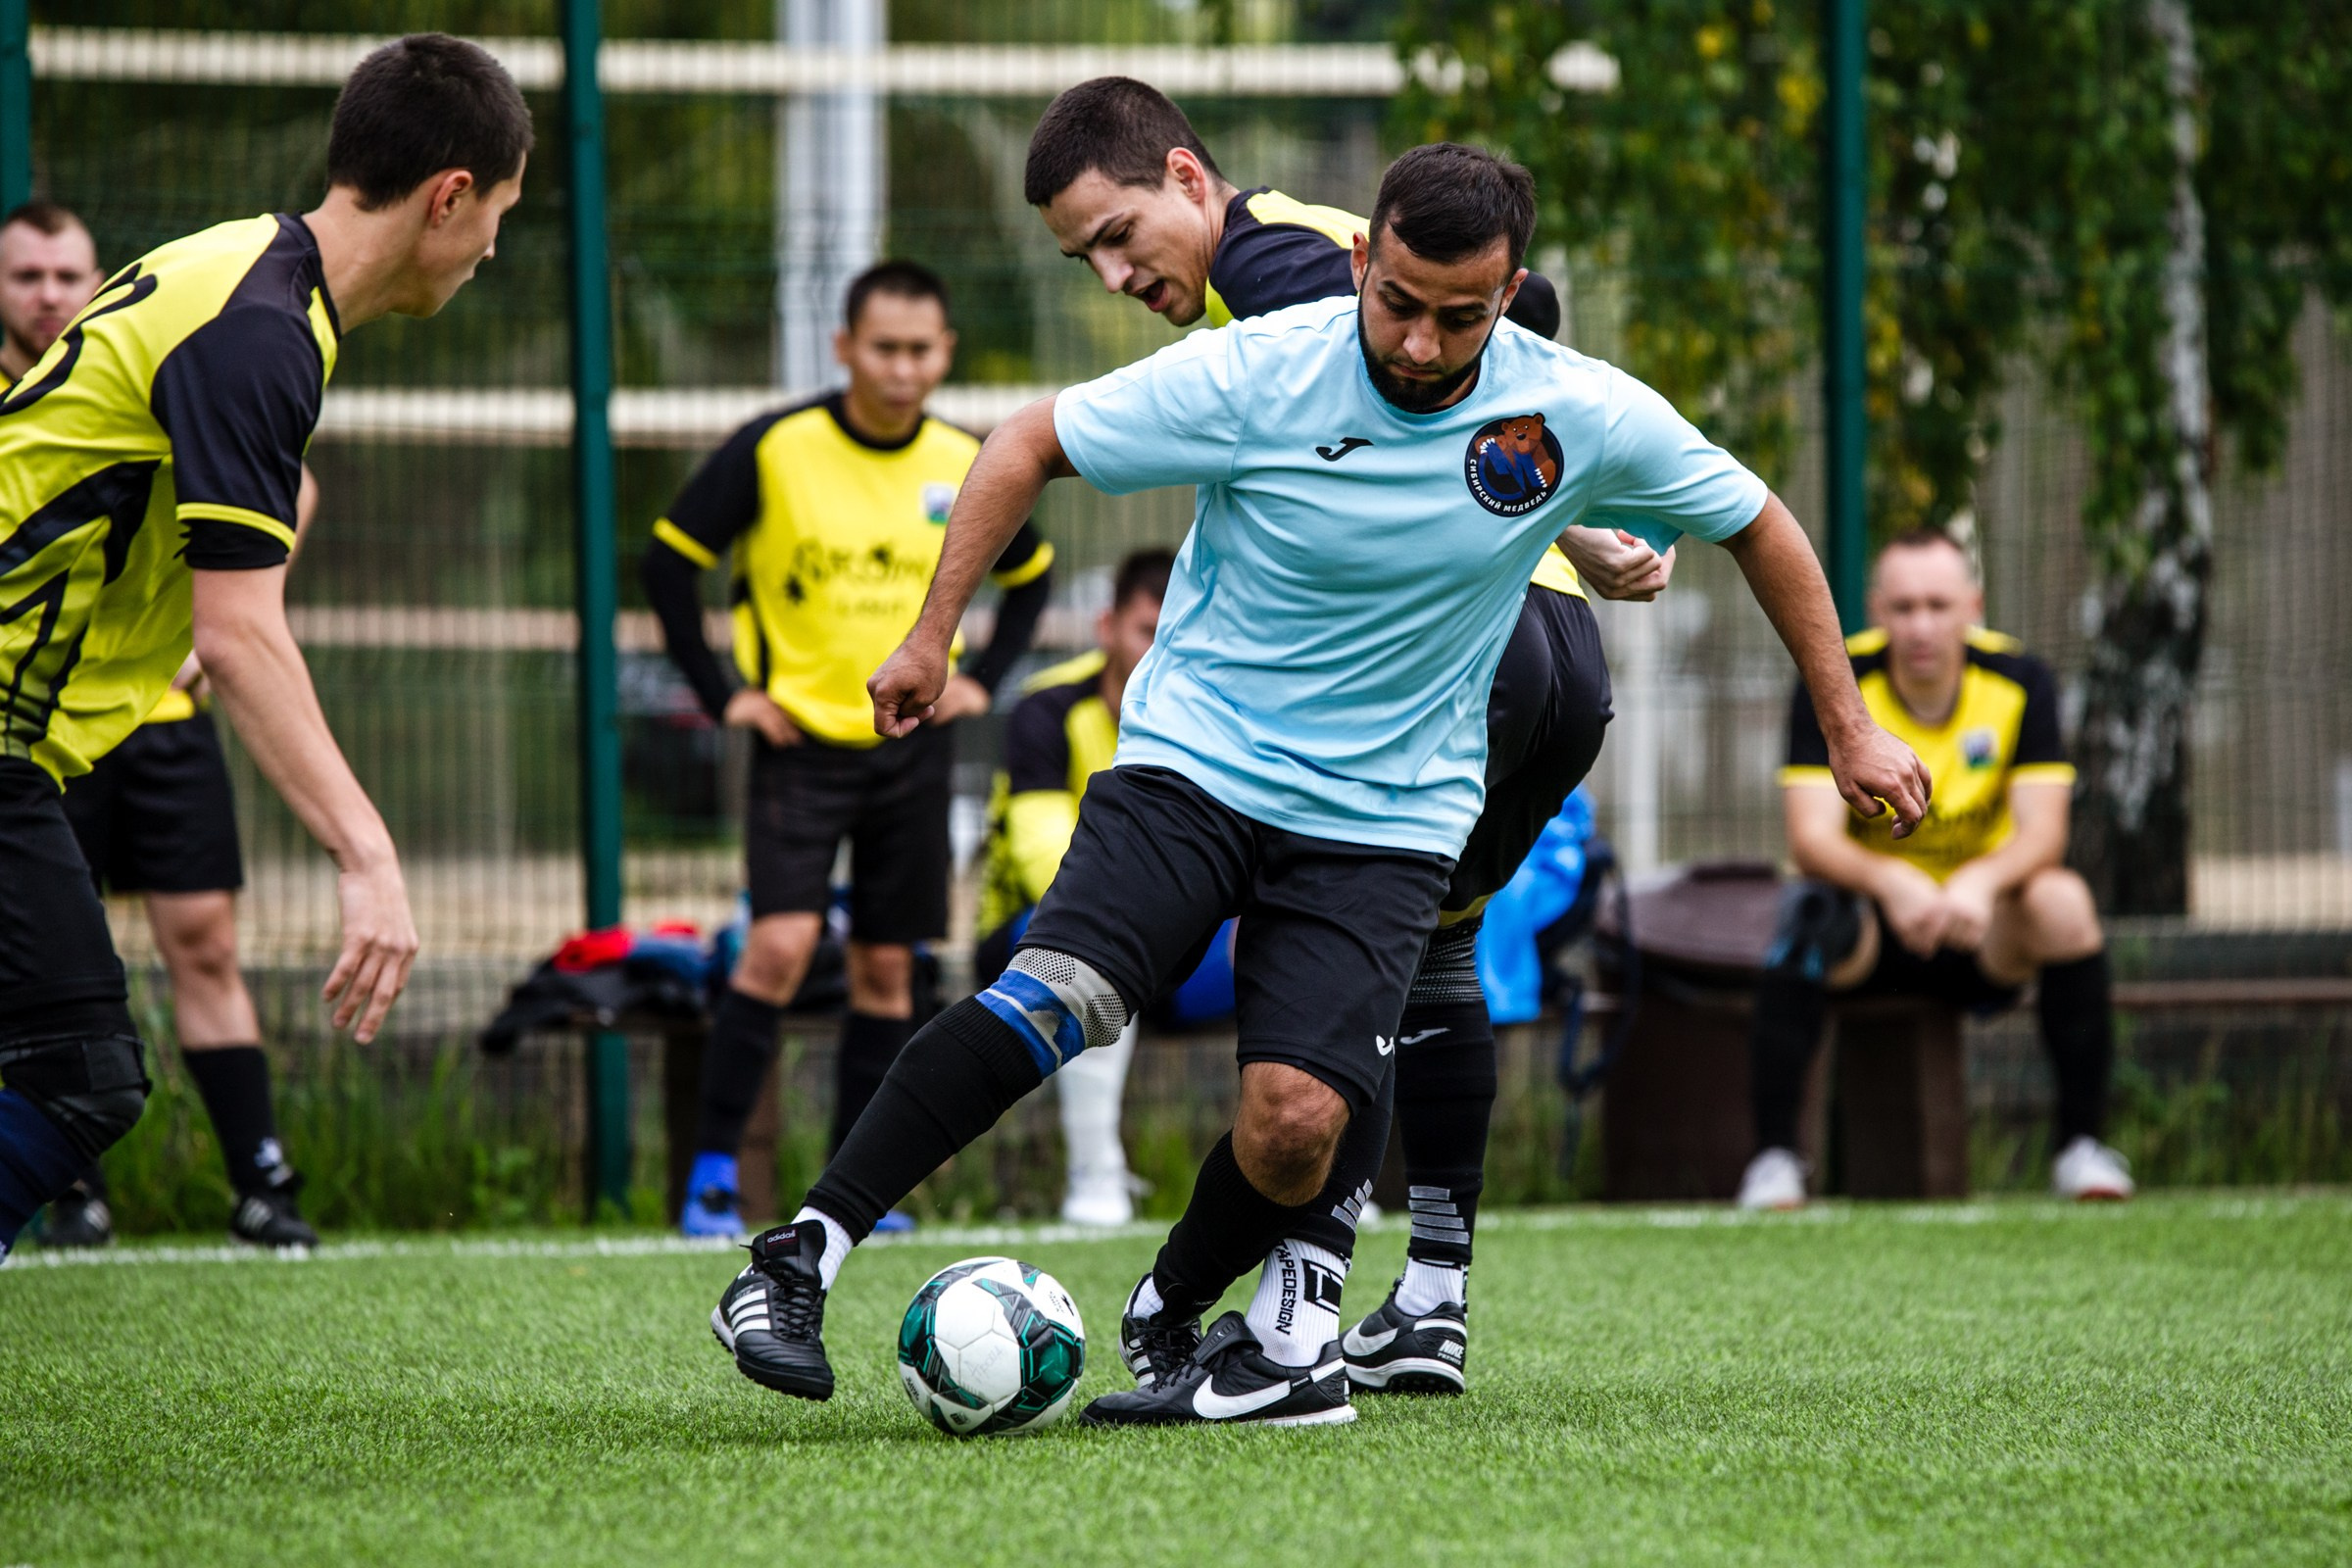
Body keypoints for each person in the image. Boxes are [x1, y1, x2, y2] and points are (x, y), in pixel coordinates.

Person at [708, 142, 1929, 1426]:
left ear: (1508, 296)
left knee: (1295, 1120)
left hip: (1386, 813)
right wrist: (927, 634)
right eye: (1397, 302)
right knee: (1062, 994)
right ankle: (797, 1259)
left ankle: (1180, 1309)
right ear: (1361, 263)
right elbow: (1025, 444)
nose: (1417, 341)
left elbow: (1760, 521)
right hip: (1200, 760)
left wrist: (1846, 727)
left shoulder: (1571, 409)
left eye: (1460, 316)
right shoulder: (1260, 369)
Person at [1021, 75, 1682, 1394]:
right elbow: (1518, 330)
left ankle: (1297, 1315)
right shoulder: (1318, 249)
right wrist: (1572, 521)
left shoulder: (1271, 262)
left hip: (1465, 656)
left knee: (1326, 962)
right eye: (1082, 254)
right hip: (1557, 667)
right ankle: (1430, 1295)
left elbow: (1413, 404)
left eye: (1116, 234)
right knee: (1427, 956)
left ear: (1188, 182)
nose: (1111, 274)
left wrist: (1563, 518)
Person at [0, 33, 531, 1262]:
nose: (496, 245)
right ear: (449, 194)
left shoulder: (250, 271)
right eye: (498, 210)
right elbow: (240, 636)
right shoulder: (260, 330)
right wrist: (368, 854)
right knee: (82, 1075)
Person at [642, 260, 1054, 1239]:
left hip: (908, 748)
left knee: (886, 967)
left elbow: (1033, 576)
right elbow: (667, 560)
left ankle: (850, 1192)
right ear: (844, 349)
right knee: (778, 946)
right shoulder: (778, 449)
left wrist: (982, 679)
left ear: (945, 353)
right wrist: (727, 697)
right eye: (884, 348)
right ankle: (710, 1175)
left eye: (921, 350)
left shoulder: (967, 458)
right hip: (800, 745)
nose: (903, 368)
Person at [0, 202, 330, 1251]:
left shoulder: (182, 356)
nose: (51, 295)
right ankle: (73, 1192)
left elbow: (291, 489)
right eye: (28, 276)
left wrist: (217, 621)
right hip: (37, 720)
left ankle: (260, 1181)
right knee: (74, 1033)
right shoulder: (91, 386)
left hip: (158, 716)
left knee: (195, 948)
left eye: (69, 275)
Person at [1738, 529, 2132, 1209]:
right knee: (1804, 913)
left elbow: (2046, 834)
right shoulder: (1834, 681)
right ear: (1877, 609)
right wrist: (1894, 882)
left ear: (1972, 606)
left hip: (1980, 929)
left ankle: (2081, 1148)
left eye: (1939, 606)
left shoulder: (2021, 680)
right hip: (1871, 931)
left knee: (2064, 902)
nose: (1921, 625)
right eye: (1905, 606)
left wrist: (1977, 884)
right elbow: (1810, 839)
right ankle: (1775, 1160)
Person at [976, 547, 1174, 1227]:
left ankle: (1321, 1190)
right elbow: (1042, 860)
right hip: (1030, 931)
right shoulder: (1047, 708)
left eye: (1178, 630)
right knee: (1107, 947)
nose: (1161, 649)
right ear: (1107, 627)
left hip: (1180, 935)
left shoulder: (1216, 717)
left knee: (1307, 945)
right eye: (1148, 629)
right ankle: (1095, 1178)